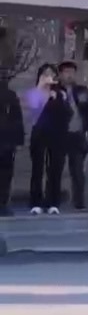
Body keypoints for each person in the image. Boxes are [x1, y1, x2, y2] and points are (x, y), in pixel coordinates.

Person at [24, 64, 73, 215]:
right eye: (45, 74)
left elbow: (67, 114)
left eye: (51, 74)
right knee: (38, 168)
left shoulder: (61, 93)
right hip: (39, 132)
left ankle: (53, 202)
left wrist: (60, 98)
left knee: (55, 168)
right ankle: (36, 202)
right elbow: (33, 110)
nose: (48, 77)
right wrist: (41, 88)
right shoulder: (34, 92)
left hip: (57, 133)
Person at [56, 62, 88, 211]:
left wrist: (84, 102)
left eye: (72, 72)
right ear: (60, 74)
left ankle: (79, 201)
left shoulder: (81, 90)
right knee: (56, 168)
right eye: (66, 72)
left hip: (78, 134)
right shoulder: (55, 90)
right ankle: (53, 200)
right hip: (59, 134)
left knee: (78, 169)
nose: (70, 75)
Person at [0, 78, 25, 216]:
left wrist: (18, 140)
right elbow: (17, 118)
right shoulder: (10, 95)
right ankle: (2, 203)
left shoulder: (10, 95)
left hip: (6, 140)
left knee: (5, 173)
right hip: (7, 140)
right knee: (5, 174)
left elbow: (17, 118)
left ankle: (2, 203)